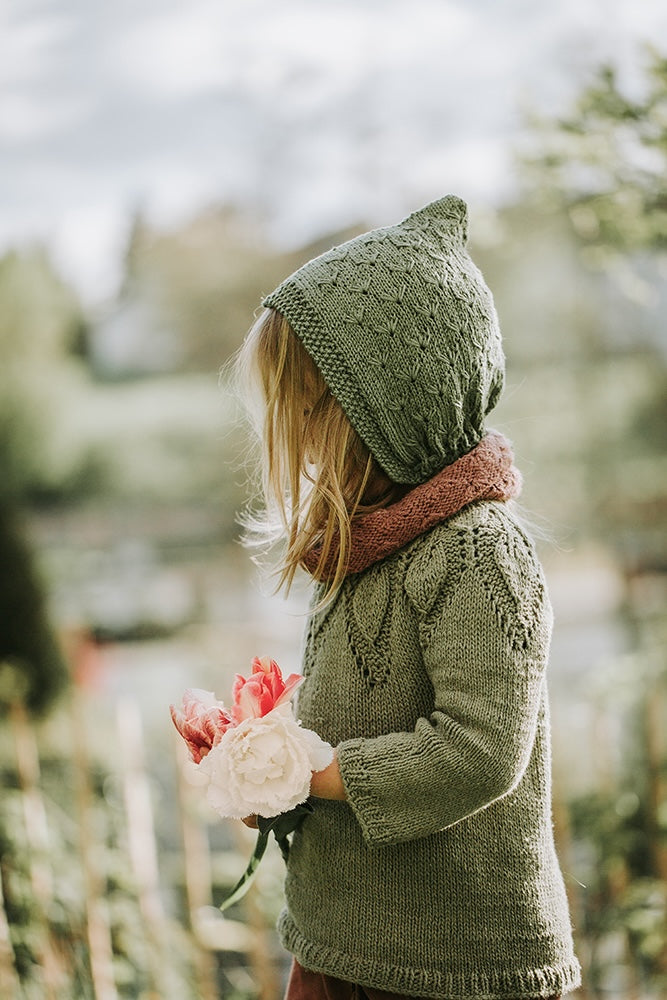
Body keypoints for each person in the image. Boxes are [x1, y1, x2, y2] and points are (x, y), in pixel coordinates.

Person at [235, 196, 581, 1000]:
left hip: (451, 963)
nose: (298, 436)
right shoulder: (362, 548)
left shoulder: (479, 553)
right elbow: (355, 726)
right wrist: (266, 773)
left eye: (310, 410)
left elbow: (477, 752)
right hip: (337, 939)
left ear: (389, 406)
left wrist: (308, 771)